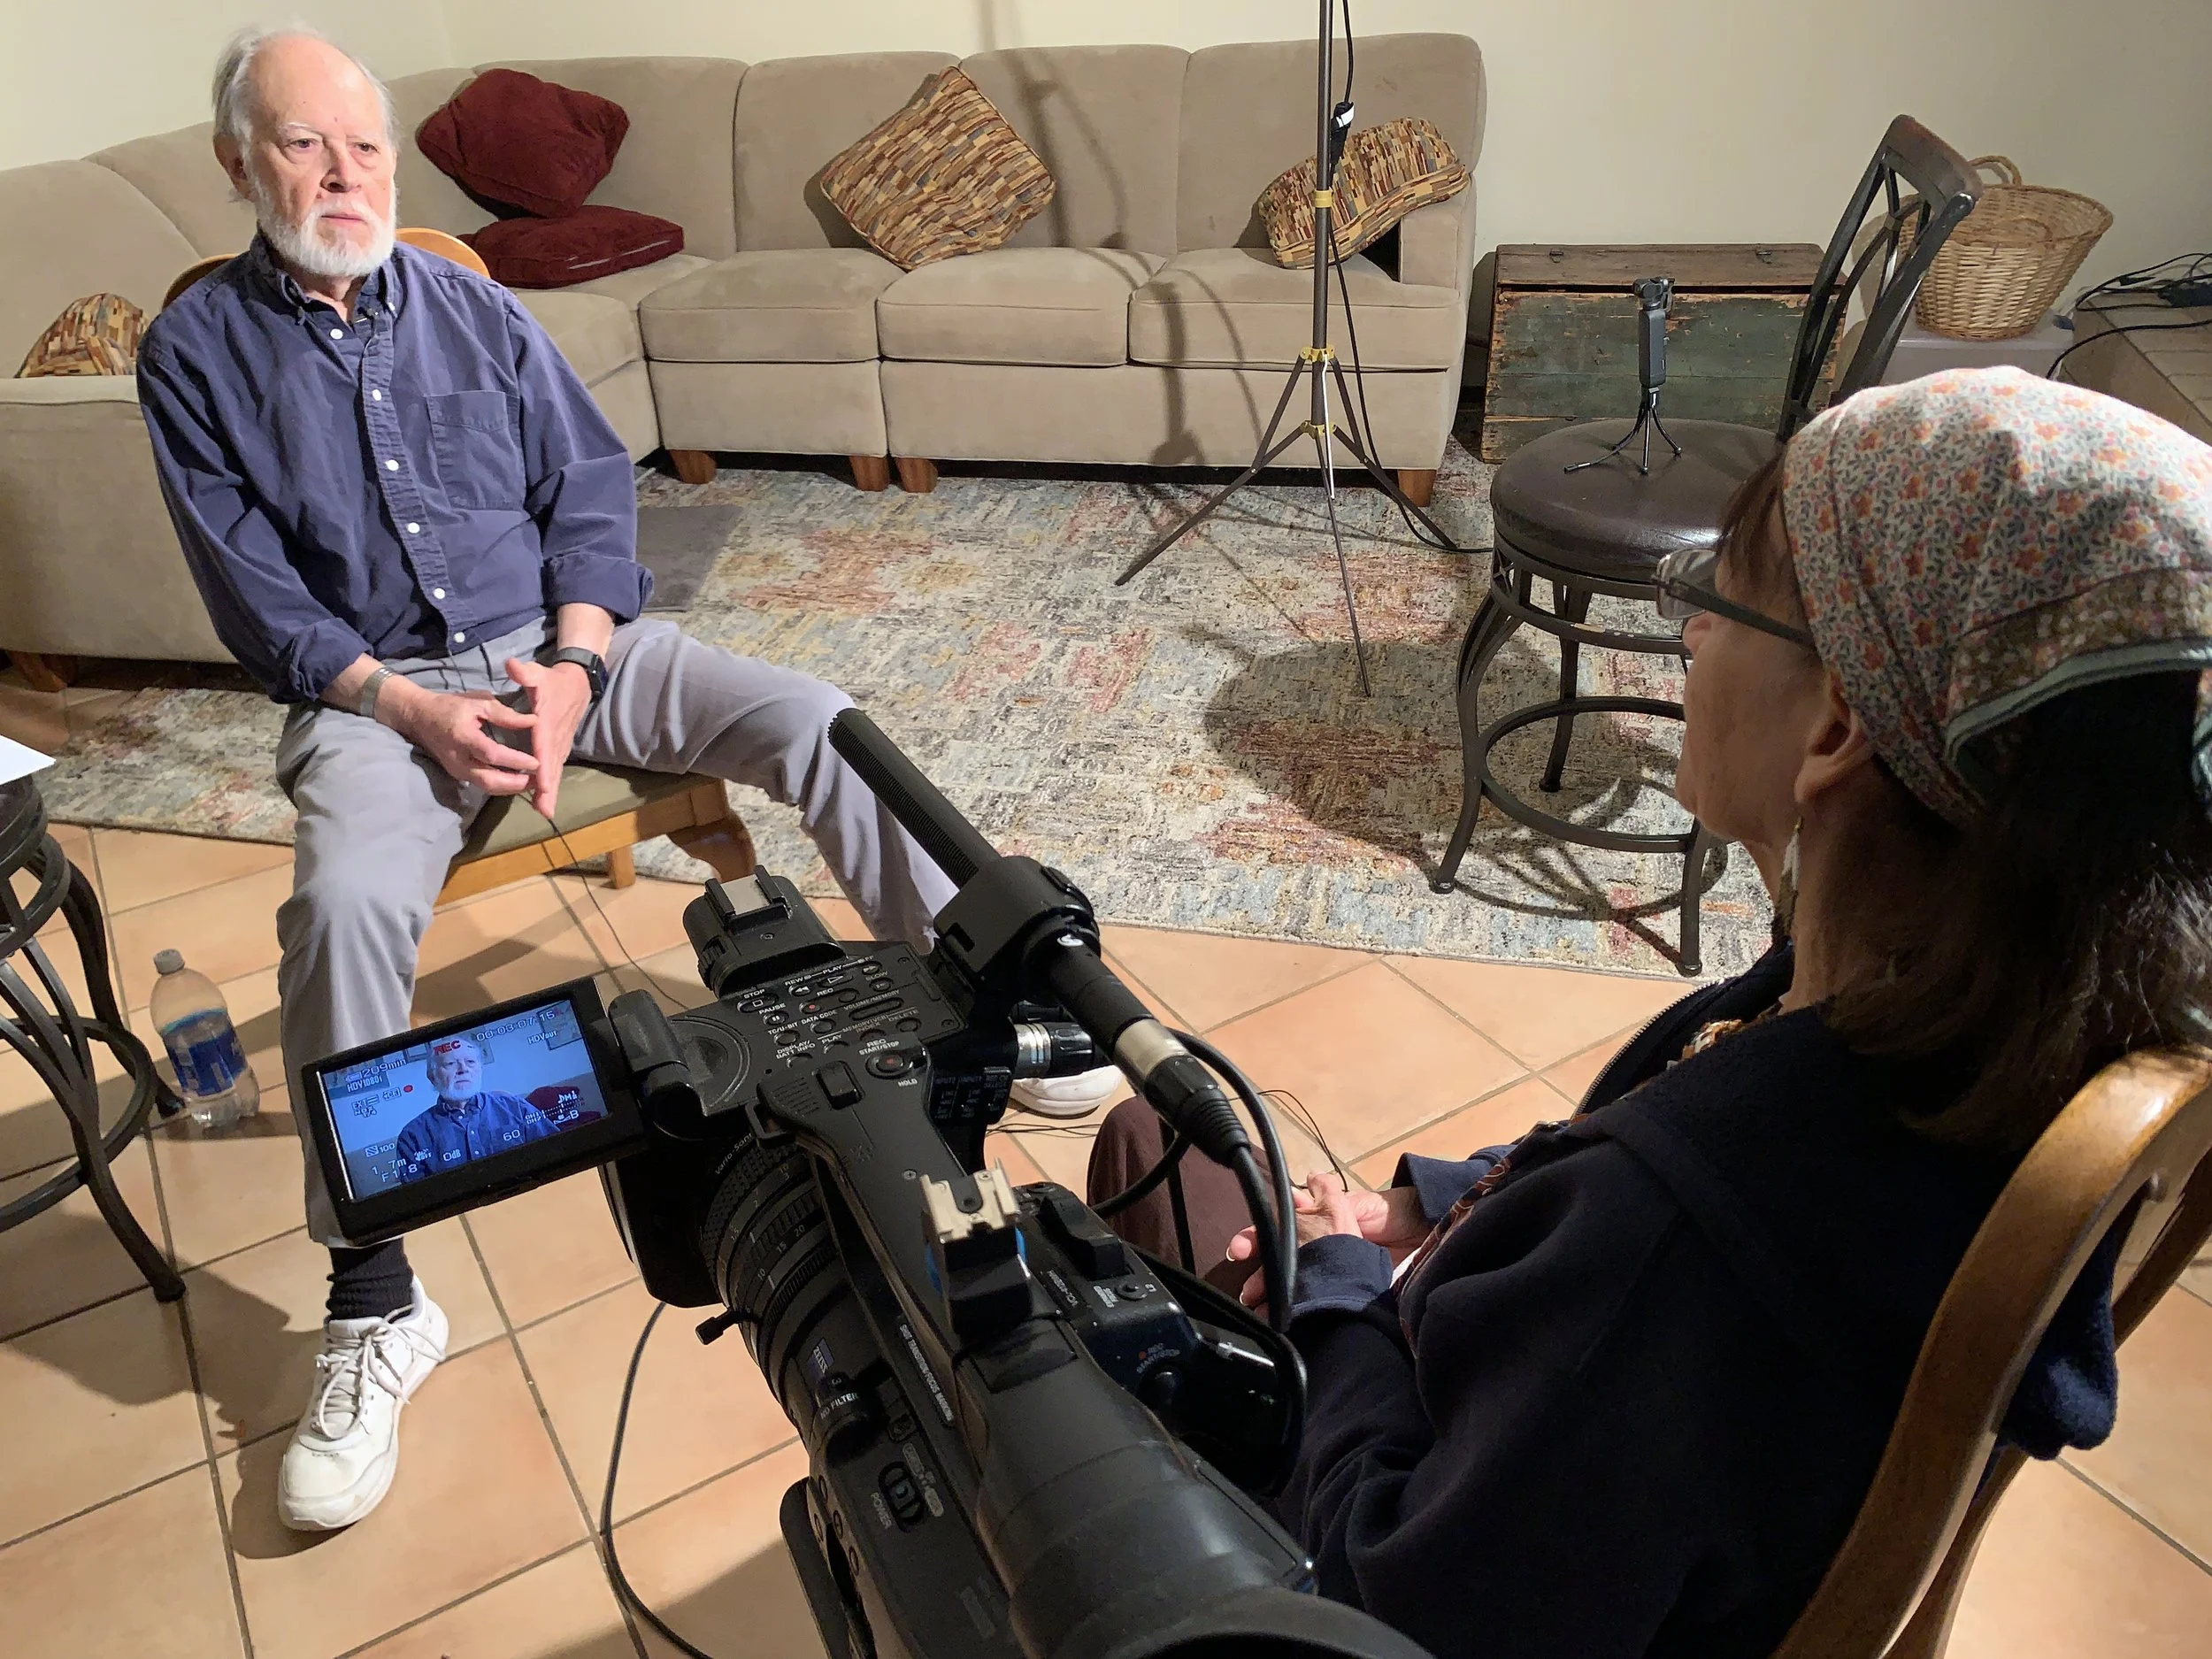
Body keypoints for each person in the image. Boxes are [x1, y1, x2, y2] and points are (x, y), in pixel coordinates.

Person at [1087, 367, 2212, 1657]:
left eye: (1716, 602)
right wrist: (1436, 1201)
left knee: (1147, 1152)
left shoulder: (1678, 1237)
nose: (1689, 640)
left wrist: (1340, 1298)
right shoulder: (2005, 1012)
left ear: (1838, 722)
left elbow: (1385, 1598)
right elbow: (1637, 1181)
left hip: (1382, 1567)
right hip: (1601, 1502)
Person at [133, 27, 967, 1533]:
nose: (344, 175)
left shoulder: (468, 301)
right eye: (306, 145)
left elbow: (587, 492)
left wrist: (577, 666)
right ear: (239, 162)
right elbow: (258, 601)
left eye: (366, 146)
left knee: (817, 719)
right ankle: (376, 1296)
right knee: (340, 909)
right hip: (376, 698)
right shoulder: (193, 354)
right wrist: (415, 709)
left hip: (560, 648)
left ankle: (960, 1011)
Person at [389, 1038, 557, 1183]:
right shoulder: (412, 1135)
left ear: (480, 1069)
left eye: (470, 1062)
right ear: (432, 1077)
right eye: (450, 1064)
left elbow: (556, 1152)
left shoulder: (514, 1106)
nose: (463, 1069)